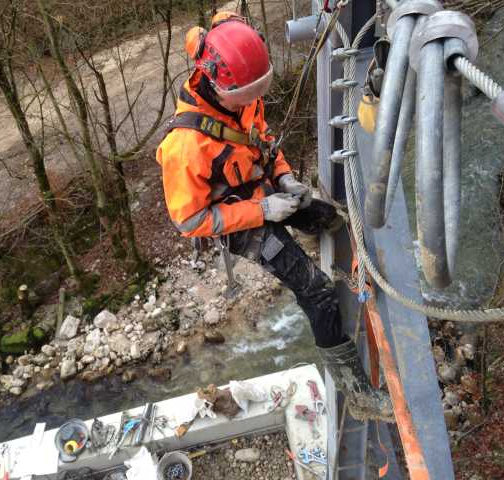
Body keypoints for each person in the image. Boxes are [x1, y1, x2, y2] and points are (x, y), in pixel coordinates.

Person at [156, 13, 393, 422]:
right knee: (315, 291)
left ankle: (356, 270)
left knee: (327, 218)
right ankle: (360, 397)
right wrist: (262, 211)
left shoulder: (240, 96)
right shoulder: (186, 148)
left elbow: (260, 141)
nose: (253, 101)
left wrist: (283, 178)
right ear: (217, 83)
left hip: (264, 188)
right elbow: (190, 221)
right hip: (236, 222)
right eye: (246, 96)